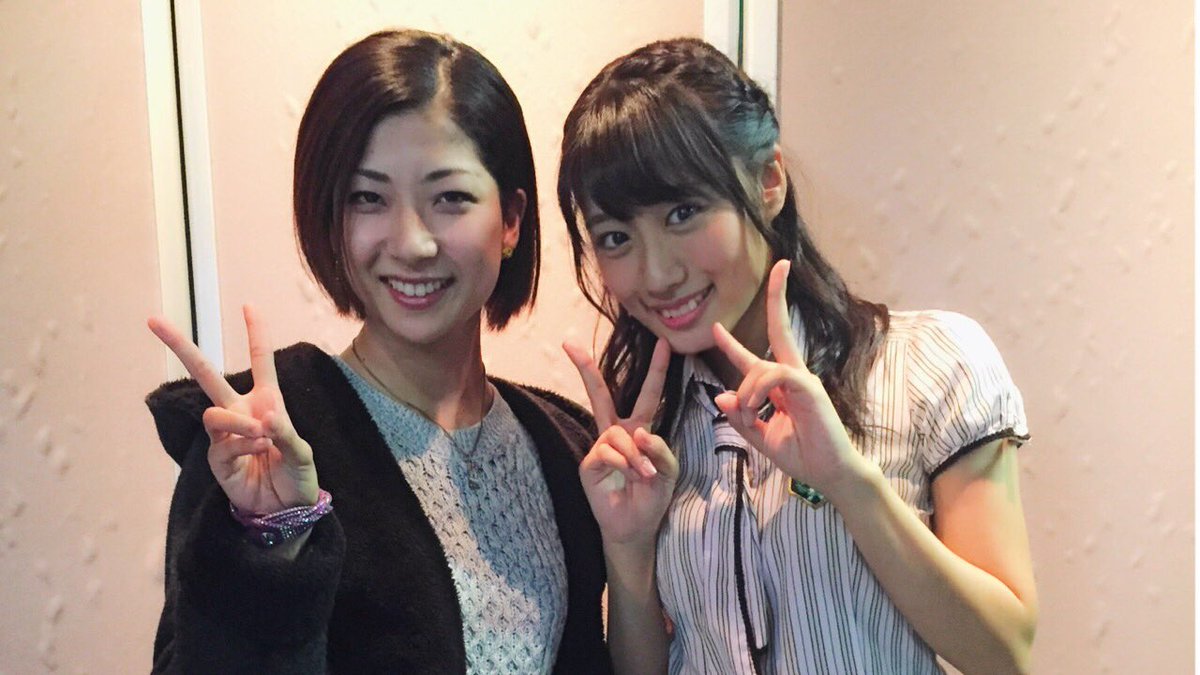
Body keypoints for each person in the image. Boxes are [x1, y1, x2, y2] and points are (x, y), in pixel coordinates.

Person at [556, 38, 1038, 675]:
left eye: (683, 212)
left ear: (768, 181)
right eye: (616, 237)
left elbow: (1006, 653)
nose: (657, 274)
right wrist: (627, 547)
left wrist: (848, 482)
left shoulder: (930, 365)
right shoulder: (646, 431)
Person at [145, 29, 610, 674]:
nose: (412, 243)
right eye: (368, 198)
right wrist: (270, 543)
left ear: (510, 220)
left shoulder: (566, 446)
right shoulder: (263, 440)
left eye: (450, 198)